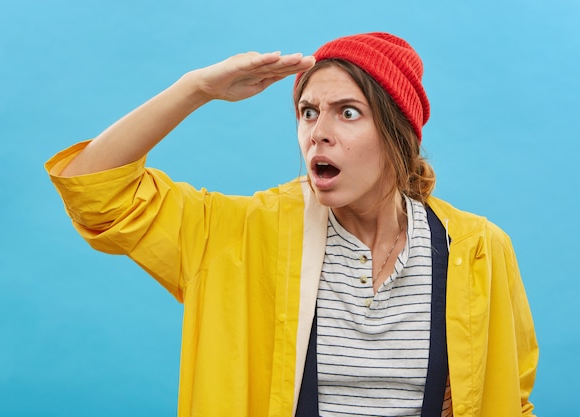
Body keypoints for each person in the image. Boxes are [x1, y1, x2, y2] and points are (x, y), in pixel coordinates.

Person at [45, 32, 538, 416]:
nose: (318, 133)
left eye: (348, 112)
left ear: (399, 134)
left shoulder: (476, 250)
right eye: (308, 112)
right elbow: (96, 190)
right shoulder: (238, 237)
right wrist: (194, 89)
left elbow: (510, 399)